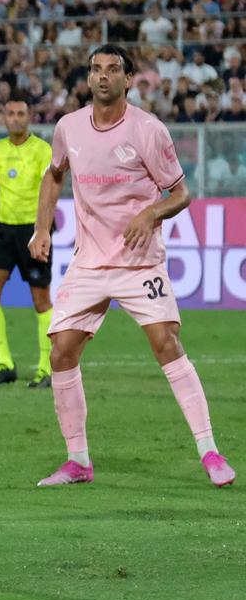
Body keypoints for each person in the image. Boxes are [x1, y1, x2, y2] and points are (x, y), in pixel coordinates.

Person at [28, 44, 235, 488]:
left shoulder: (148, 130)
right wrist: (42, 228)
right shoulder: (68, 127)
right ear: (88, 79)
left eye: (113, 69)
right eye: (95, 69)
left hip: (139, 263)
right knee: (61, 351)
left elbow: (180, 193)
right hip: (89, 262)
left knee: (167, 343)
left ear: (128, 79)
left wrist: (149, 213)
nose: (103, 76)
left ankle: (210, 450)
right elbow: (54, 174)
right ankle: (78, 461)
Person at [0, 93, 54, 388]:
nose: (15, 119)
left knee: (40, 300)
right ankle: (5, 363)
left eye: (21, 113)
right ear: (4, 117)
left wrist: (44, 228)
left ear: (29, 116)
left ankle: (47, 368)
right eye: (11, 114)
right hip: (4, 231)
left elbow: (51, 190)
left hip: (35, 231)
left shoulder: (43, 150)